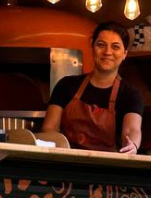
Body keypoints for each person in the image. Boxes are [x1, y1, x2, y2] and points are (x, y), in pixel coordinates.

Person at [42, 22, 143, 153]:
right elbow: (49, 129)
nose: (107, 52)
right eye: (101, 45)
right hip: (67, 163)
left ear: (125, 54)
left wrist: (132, 145)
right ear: (92, 47)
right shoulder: (66, 85)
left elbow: (132, 130)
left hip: (107, 168)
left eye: (115, 47)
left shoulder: (130, 94)